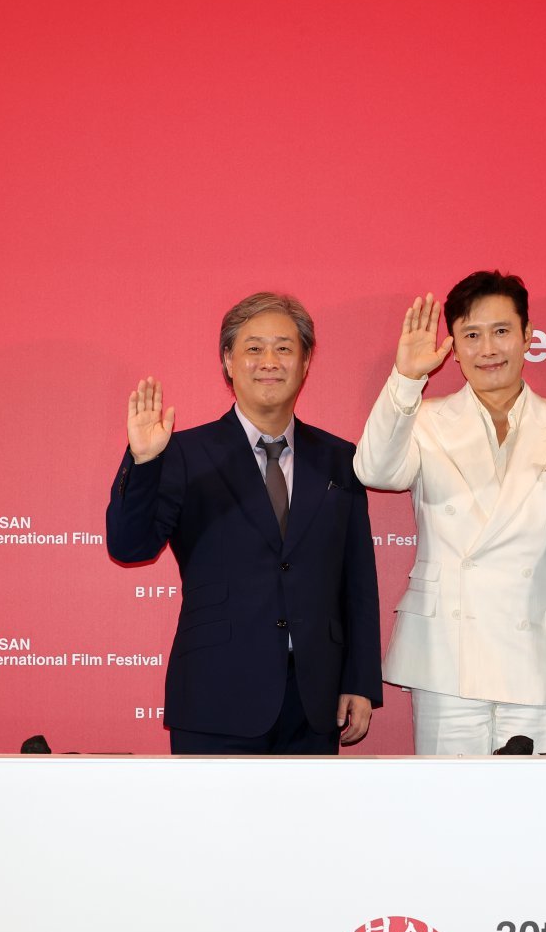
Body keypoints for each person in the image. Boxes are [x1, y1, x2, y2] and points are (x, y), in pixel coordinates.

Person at [106, 293, 381, 754]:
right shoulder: (183, 454)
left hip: (315, 701)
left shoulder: (340, 459)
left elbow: (358, 582)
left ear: (305, 362)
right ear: (228, 362)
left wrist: (360, 680)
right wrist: (145, 462)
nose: (269, 361)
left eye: (284, 348)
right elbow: (129, 546)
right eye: (254, 348)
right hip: (215, 694)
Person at [353, 271, 546, 755]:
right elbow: (374, 470)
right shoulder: (424, 420)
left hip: (539, 663)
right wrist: (406, 380)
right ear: (453, 346)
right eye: (471, 335)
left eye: (501, 331)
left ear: (527, 335)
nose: (488, 349)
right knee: (448, 800)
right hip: (445, 659)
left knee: (534, 802)